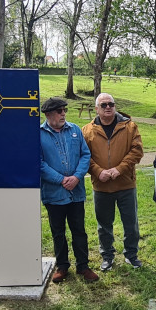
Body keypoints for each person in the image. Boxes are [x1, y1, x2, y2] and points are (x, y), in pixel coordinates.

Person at [39, 97, 99, 283]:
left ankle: (83, 266)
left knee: (79, 230)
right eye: (59, 111)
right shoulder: (38, 134)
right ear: (48, 114)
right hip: (54, 193)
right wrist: (61, 180)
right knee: (58, 232)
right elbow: (38, 163)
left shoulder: (75, 130)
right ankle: (62, 266)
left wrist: (76, 177)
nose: (63, 113)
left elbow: (85, 155)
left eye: (64, 110)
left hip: (76, 192)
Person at [82, 93, 144, 272]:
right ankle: (107, 256)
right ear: (96, 109)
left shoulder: (130, 127)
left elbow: (136, 151)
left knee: (131, 223)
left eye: (111, 104)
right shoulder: (87, 130)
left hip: (125, 184)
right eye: (103, 105)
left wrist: (119, 169)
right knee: (104, 225)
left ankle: (131, 255)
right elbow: (84, 155)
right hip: (101, 186)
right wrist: (97, 171)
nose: (108, 107)